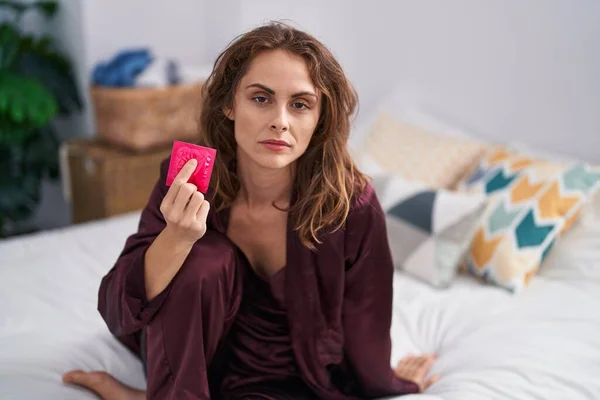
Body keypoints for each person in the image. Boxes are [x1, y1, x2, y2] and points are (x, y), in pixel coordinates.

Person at [62, 21, 440, 399]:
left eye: (300, 104)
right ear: (229, 103)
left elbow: (366, 318)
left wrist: (392, 385)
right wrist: (176, 238)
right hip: (189, 364)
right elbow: (117, 308)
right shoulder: (188, 177)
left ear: (320, 117)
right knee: (202, 257)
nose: (280, 120)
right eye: (261, 98)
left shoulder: (351, 204)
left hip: (294, 377)